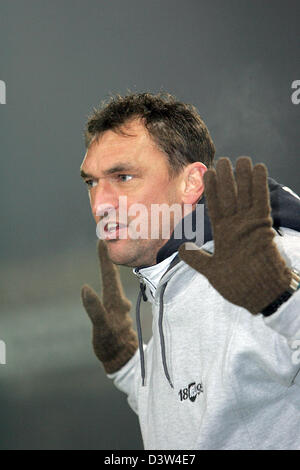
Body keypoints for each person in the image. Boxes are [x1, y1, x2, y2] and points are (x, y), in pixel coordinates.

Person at [80, 92, 300, 450]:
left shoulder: (276, 262)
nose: (99, 203)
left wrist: (282, 304)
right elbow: (195, 417)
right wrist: (128, 368)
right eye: (91, 182)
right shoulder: (169, 283)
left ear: (191, 183)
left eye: (122, 176)